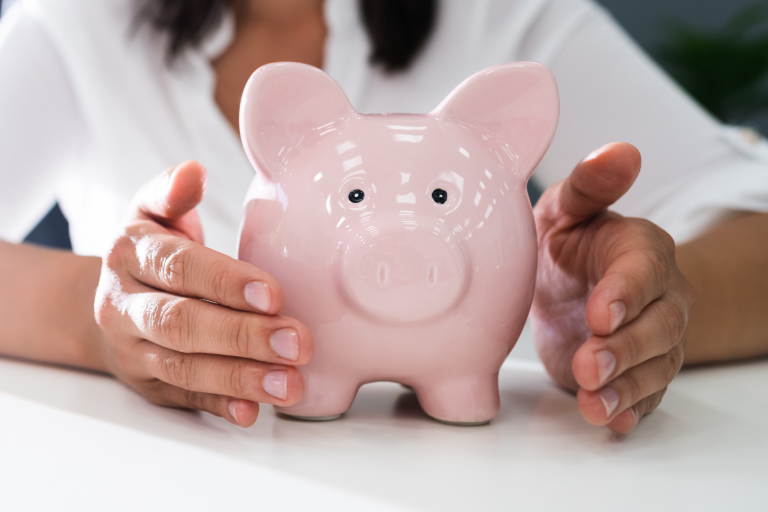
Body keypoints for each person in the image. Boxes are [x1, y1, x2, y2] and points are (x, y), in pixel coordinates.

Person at [0, 0, 766, 434]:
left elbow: (753, 216)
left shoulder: (509, 16)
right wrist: (105, 319)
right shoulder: (75, 26)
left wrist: (622, 310)